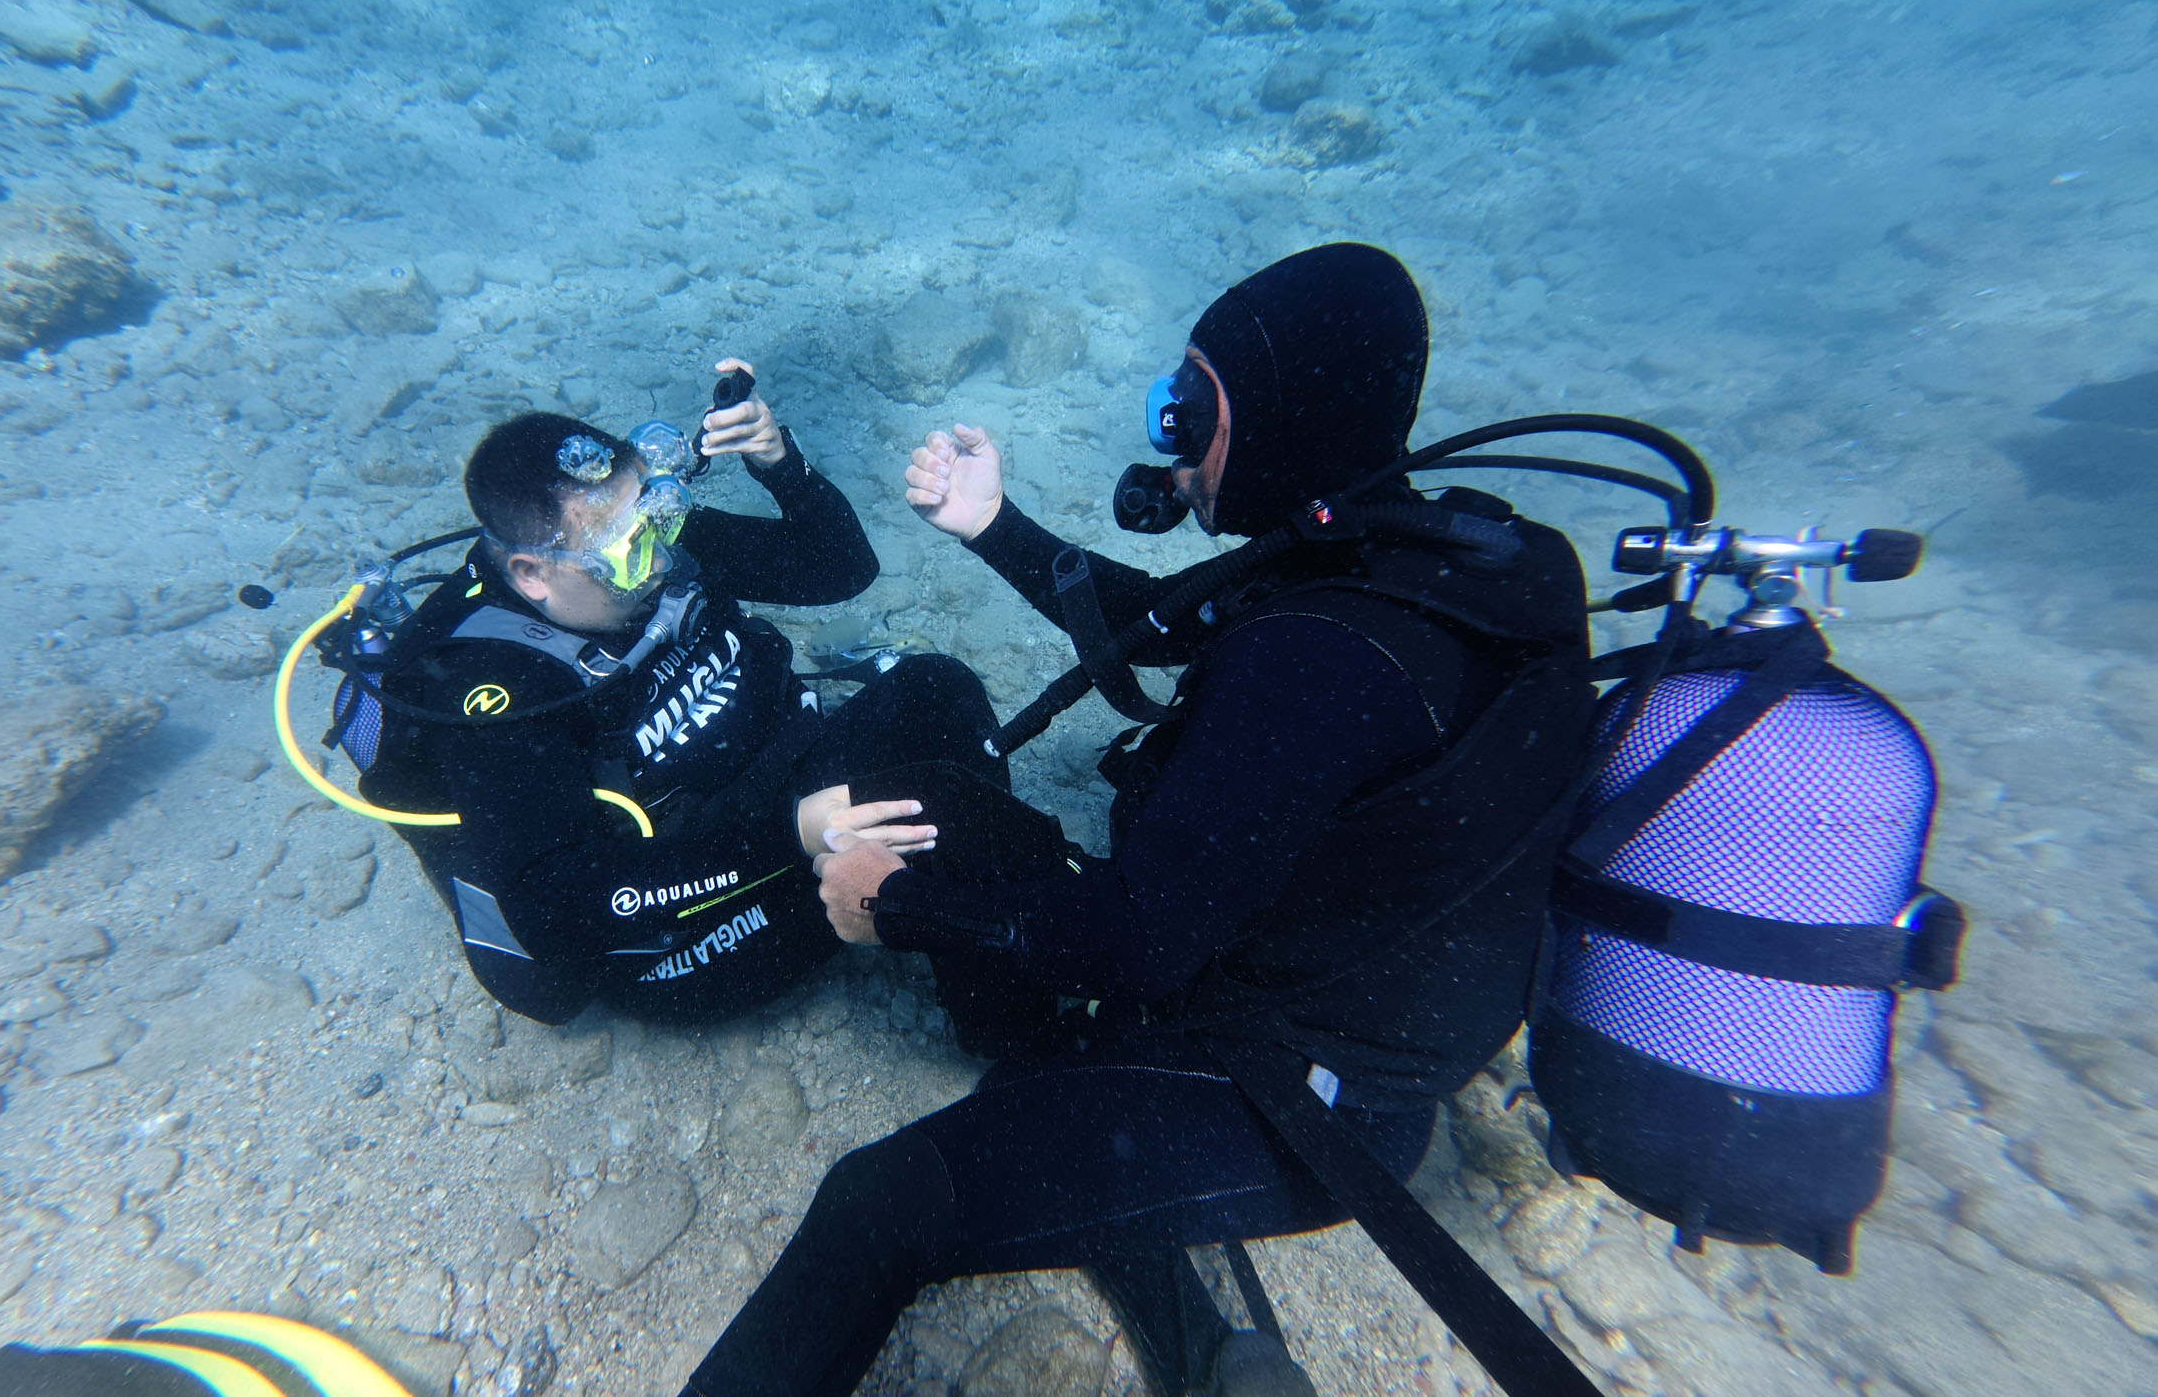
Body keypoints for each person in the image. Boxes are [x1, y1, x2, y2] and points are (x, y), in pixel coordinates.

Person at [678, 245, 1598, 1397]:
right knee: (961, 828)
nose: (1169, 437)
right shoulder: (1445, 552)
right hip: (1360, 968)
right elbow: (1171, 626)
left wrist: (894, 904)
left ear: (1282, 424)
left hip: (1315, 1084)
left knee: (882, 1204)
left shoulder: (1309, 660)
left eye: (1193, 410)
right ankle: (1183, 1292)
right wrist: (991, 522)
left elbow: (1134, 940)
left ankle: (1204, 1326)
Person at [353, 360, 1002, 1027]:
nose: (661, 559)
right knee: (928, 823)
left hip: (781, 779)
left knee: (938, 691)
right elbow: (561, 910)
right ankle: (997, 1011)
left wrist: (779, 463)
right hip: (685, 924)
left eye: (660, 516)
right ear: (533, 573)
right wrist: (793, 836)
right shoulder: (495, 691)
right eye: (631, 549)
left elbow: (839, 569)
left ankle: (995, 941)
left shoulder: (645, 541)